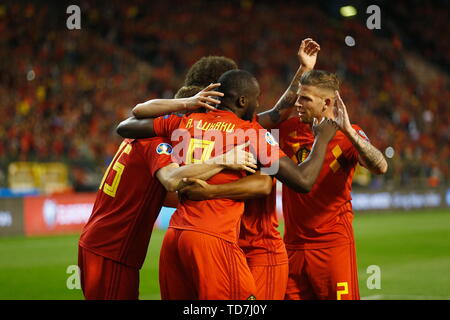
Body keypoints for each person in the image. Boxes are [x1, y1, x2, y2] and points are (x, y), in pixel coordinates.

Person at [117, 69, 340, 299]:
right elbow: (302, 181)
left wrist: (186, 104)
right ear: (243, 100)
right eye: (257, 98)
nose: (258, 103)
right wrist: (322, 139)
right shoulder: (251, 132)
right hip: (213, 238)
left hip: (175, 237)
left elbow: (127, 125)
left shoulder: (186, 120)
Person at [77, 85, 257, 300]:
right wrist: (222, 160)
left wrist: (214, 193)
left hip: (99, 242)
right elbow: (172, 180)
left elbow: (166, 195)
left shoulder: (139, 136)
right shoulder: (157, 145)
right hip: (113, 248)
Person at [178, 38, 322, 299]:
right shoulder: (198, 129)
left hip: (258, 247)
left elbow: (264, 183)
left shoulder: (251, 129)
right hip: (221, 243)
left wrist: (209, 191)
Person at [277, 70, 388, 300]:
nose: (298, 104)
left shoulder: (349, 134)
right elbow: (256, 125)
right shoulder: (287, 131)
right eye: (299, 97)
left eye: (305, 99)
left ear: (326, 102)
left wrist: (348, 130)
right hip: (293, 247)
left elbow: (380, 166)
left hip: (332, 246)